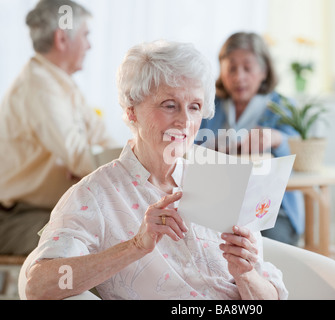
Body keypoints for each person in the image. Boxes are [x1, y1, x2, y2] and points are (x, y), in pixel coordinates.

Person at [24, 40, 288, 300]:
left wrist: (245, 274)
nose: (185, 121)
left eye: (194, 107)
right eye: (169, 105)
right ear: (132, 111)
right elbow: (38, 285)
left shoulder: (222, 180)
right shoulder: (95, 195)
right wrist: (135, 246)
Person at [0, 0, 117, 256]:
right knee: (98, 243)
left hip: (54, 210)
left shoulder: (62, 84)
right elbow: (80, 159)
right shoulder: (38, 87)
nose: (90, 45)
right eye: (86, 35)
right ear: (62, 39)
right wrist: (91, 166)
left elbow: (102, 142)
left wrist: (136, 165)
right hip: (20, 218)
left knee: (117, 232)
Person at [199, 32, 304, 246]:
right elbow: (190, 148)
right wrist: (212, 146)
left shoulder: (281, 106)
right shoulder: (209, 106)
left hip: (273, 213)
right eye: (232, 68)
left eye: (247, 68)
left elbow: (300, 149)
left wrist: (275, 138)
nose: (239, 77)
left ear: (264, 71)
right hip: (219, 208)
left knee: (264, 252)